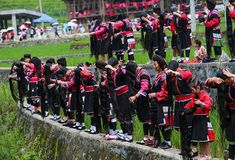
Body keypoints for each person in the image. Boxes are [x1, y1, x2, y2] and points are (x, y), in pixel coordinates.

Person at [166, 60, 194, 158]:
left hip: (187, 102)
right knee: (182, 128)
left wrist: (175, 73)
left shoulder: (183, 72)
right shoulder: (171, 77)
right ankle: (184, 149)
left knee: (189, 127)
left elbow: (188, 74)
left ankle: (190, 149)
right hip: (178, 103)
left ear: (177, 68)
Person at [205, 69, 235, 160]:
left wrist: (233, 76)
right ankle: (230, 157)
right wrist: (213, 79)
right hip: (229, 113)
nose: (225, 82)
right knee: (231, 136)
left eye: (227, 79)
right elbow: (207, 83)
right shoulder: (222, 84)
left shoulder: (232, 84)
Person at [184, 82, 215, 159]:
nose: (192, 91)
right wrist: (186, 110)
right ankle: (203, 154)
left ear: (198, 88)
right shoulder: (194, 97)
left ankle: (208, 155)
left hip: (203, 118)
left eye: (193, 89)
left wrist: (201, 103)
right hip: (196, 119)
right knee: (200, 138)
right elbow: (189, 105)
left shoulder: (205, 95)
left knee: (205, 139)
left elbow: (209, 106)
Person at [105, 58, 134, 142]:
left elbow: (124, 73)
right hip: (118, 96)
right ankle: (125, 133)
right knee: (120, 114)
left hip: (125, 95)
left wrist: (114, 69)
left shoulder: (123, 70)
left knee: (126, 114)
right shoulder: (112, 73)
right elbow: (109, 84)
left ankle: (129, 134)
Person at [148, 55, 173, 149]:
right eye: (153, 64)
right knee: (156, 122)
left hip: (164, 103)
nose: (154, 66)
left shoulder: (164, 76)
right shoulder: (158, 76)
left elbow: (165, 92)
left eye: (155, 64)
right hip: (156, 103)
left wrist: (155, 95)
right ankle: (157, 140)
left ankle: (168, 141)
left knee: (164, 123)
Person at [128, 62, 151, 145]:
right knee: (144, 120)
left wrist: (135, 96)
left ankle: (151, 139)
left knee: (148, 120)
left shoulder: (143, 73)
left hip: (146, 100)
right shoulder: (138, 73)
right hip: (141, 100)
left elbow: (144, 87)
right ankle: (145, 138)